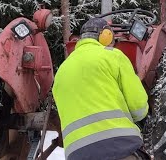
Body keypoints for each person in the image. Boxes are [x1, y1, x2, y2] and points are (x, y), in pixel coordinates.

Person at [52, 17, 149, 160]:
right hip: (120, 146)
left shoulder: (61, 72)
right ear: (106, 35)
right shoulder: (113, 56)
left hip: (77, 154)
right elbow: (138, 108)